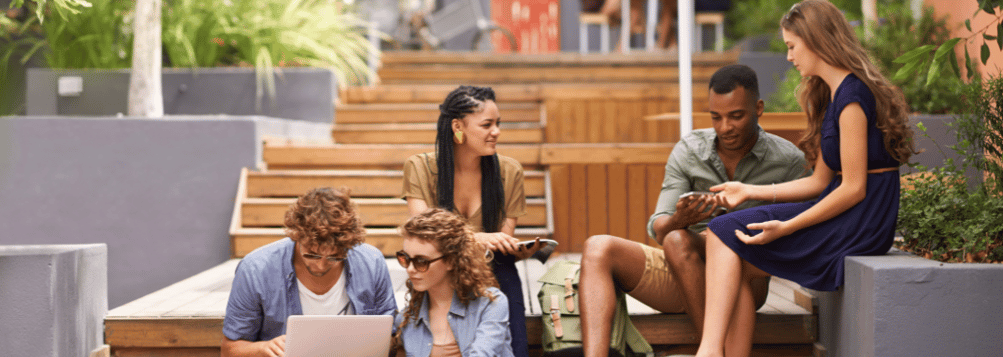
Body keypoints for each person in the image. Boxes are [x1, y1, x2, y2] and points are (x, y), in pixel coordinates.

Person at [695, 1, 917, 356]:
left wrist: (789, 226)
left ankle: (707, 352)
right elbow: (818, 182)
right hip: (845, 210)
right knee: (736, 256)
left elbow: (854, 188)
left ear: (816, 41)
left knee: (722, 234)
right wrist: (748, 190)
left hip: (862, 220)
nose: (788, 56)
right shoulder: (833, 96)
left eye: (791, 46)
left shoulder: (853, 99)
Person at [578, 64, 809, 357]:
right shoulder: (690, 150)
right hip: (683, 271)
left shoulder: (788, 161)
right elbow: (660, 229)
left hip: (745, 282)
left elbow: (804, 227)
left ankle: (712, 350)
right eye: (716, 117)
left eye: (736, 116)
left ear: (758, 108)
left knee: (714, 242)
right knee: (600, 247)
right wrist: (680, 219)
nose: (725, 127)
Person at [401, 85, 541, 356]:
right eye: (487, 124)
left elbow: (502, 239)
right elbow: (423, 235)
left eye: (498, 123)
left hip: (492, 271)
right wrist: (477, 238)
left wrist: (517, 248)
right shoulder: (420, 167)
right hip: (440, 273)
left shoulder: (510, 171)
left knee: (514, 334)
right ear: (458, 126)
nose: (496, 131)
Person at [221, 187, 397, 357]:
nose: (321, 265)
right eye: (311, 255)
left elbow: (391, 339)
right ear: (296, 236)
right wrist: (263, 348)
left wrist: (377, 343)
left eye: (335, 257)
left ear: (348, 246)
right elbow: (229, 350)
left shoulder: (371, 263)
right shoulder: (256, 269)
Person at [393, 208, 514, 357]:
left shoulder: (490, 304)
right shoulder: (407, 318)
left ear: (450, 260)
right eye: (405, 258)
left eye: (421, 261)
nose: (410, 269)